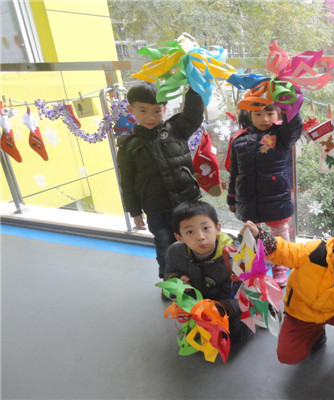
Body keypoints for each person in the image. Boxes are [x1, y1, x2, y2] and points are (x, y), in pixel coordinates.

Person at [240, 219, 334, 389]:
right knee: (288, 356)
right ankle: (316, 333)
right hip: (302, 311)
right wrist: (259, 237)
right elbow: (285, 251)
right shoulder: (313, 253)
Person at [117, 82, 204, 280]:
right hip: (157, 210)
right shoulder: (128, 146)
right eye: (143, 110)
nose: (150, 117)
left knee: (196, 242)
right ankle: (170, 281)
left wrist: (194, 86)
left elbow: (193, 114)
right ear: (131, 110)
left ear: (164, 109)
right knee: (166, 246)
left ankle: (199, 278)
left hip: (188, 202)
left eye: (156, 111)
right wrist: (135, 211)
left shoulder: (177, 129)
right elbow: (127, 182)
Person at [227, 104, 303, 288]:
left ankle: (280, 267)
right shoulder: (239, 139)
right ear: (249, 115)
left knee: (279, 234)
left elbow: (294, 126)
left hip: (276, 196)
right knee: (251, 233)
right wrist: (231, 198)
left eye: (270, 113)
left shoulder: (282, 136)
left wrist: (288, 103)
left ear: (278, 114)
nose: (265, 119)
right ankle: (256, 266)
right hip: (247, 196)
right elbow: (234, 172)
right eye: (258, 114)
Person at [164, 200, 252, 345]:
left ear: (217, 228)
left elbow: (240, 296)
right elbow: (169, 277)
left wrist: (220, 308)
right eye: (190, 232)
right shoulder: (175, 253)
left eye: (205, 228)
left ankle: (255, 316)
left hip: (227, 304)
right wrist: (177, 282)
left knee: (234, 337)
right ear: (179, 237)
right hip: (198, 305)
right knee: (194, 335)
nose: (200, 236)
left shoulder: (233, 256)